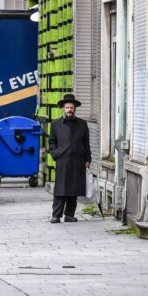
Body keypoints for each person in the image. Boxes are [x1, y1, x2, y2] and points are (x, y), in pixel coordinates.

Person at [48, 93, 91, 223]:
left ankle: (69, 215)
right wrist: (56, 154)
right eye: (67, 108)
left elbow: (86, 143)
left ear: (75, 109)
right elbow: (51, 142)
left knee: (74, 189)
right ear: (63, 109)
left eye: (71, 108)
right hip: (63, 160)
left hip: (78, 160)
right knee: (60, 189)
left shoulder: (82, 124)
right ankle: (56, 216)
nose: (69, 110)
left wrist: (88, 159)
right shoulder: (55, 124)